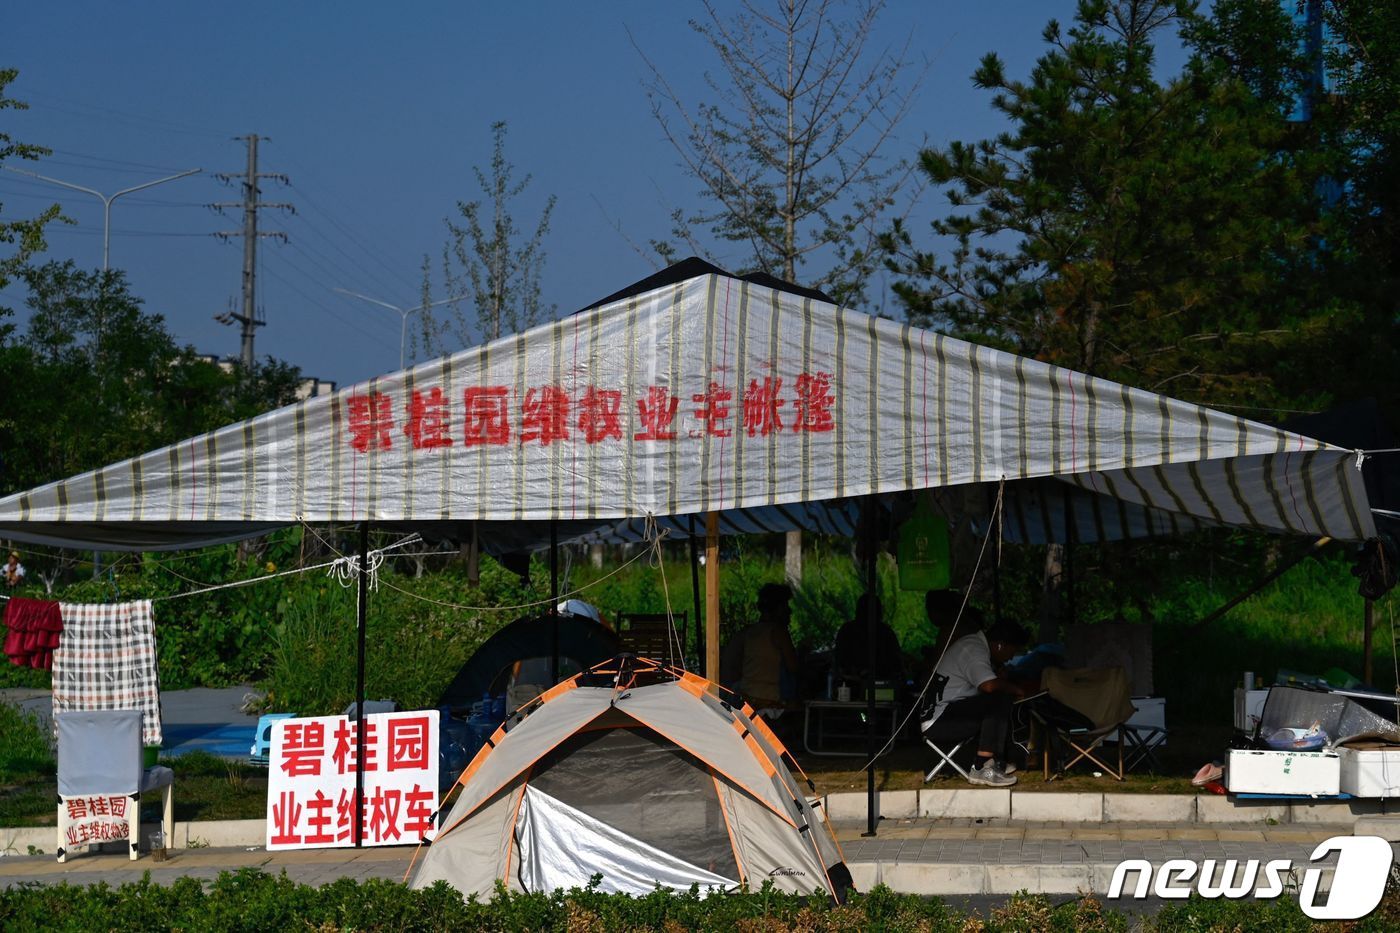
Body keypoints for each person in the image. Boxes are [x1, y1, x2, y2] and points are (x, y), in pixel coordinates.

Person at [922, 591, 1029, 787]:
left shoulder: (976, 646)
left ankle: (997, 761)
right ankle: (982, 767)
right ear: (999, 645)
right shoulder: (973, 649)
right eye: (1011, 652)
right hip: (940, 721)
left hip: (948, 713)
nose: (1011, 658)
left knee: (998, 699)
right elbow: (987, 686)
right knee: (998, 699)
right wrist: (1016, 689)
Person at [726, 583, 799, 712]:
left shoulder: (747, 633)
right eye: (786, 606)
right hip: (770, 700)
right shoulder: (779, 633)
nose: (789, 611)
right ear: (779, 608)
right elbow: (794, 667)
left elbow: (731, 665)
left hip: (747, 697)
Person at [833, 593, 903, 686]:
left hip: (878, 686)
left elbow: (895, 664)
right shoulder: (886, 632)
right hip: (852, 686)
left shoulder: (886, 633)